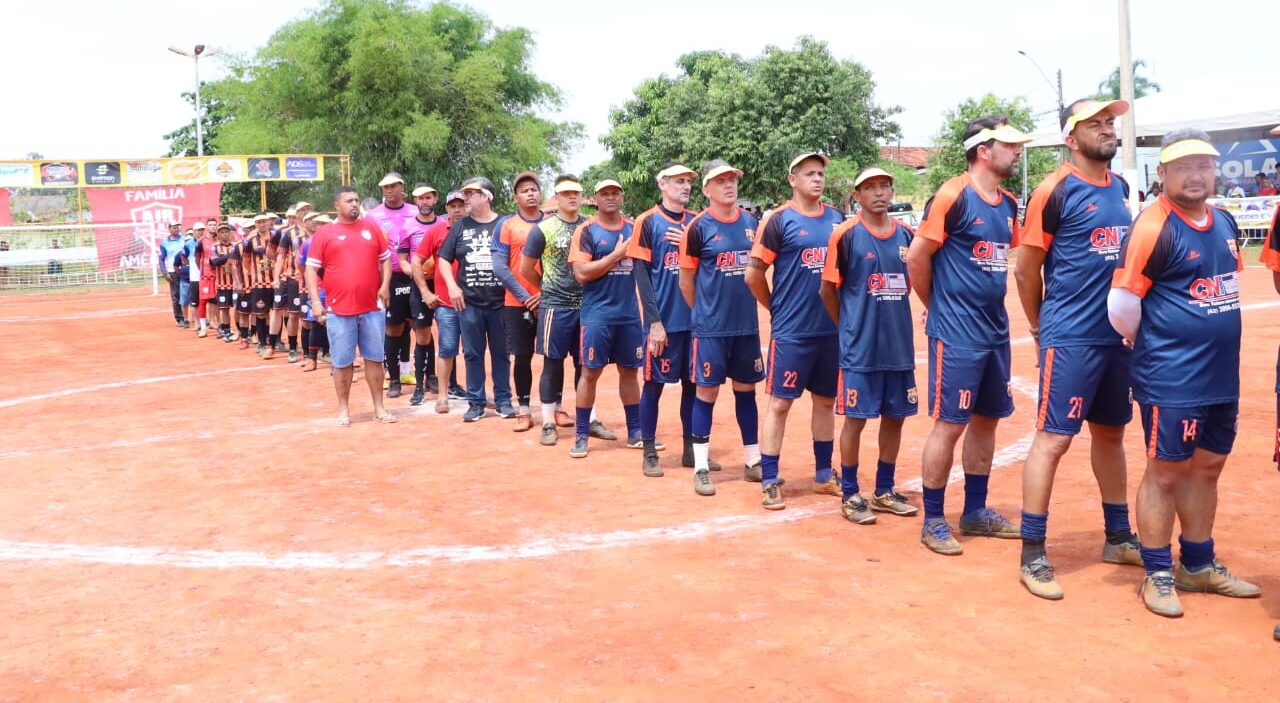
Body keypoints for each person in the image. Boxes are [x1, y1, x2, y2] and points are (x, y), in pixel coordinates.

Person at [1110, 128, 1259, 618]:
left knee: (1208, 468)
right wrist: (1155, 344)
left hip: (1221, 376)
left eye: (1204, 165)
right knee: (1166, 473)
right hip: (1171, 377)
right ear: (1162, 173)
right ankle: (1157, 572)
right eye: (1183, 167)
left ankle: (1197, 564)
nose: (1196, 175)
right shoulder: (1152, 227)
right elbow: (1122, 306)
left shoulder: (1224, 221)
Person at [1014, 99, 1142, 600]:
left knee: (1111, 435)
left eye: (1110, 123)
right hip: (1070, 337)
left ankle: (1117, 535)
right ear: (1071, 139)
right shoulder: (1054, 190)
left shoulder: (1121, 188)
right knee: (1053, 439)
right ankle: (1032, 552)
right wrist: (1040, 326)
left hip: (1115, 339)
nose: (1107, 130)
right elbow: (1026, 269)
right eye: (1096, 124)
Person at [906, 116, 1029, 555]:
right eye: (1009, 145)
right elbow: (918, 258)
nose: (1017, 152)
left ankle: (975, 512)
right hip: (956, 331)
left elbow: (1006, 262)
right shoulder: (953, 195)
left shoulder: (1009, 203)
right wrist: (934, 305)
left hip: (995, 330)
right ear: (983, 150)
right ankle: (934, 519)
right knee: (950, 423)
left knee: (987, 419)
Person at [819, 166, 920, 526]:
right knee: (856, 420)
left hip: (898, 348)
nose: (879, 193)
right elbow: (827, 290)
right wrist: (848, 326)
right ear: (856, 196)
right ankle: (849, 491)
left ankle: (884, 489)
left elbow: (918, 281)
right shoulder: (845, 236)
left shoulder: (908, 235)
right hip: (860, 349)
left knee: (895, 418)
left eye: (884, 186)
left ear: (892, 193)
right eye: (870, 188)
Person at [746, 151, 846, 510]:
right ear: (793, 179)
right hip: (792, 331)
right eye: (809, 173)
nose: (817, 179)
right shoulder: (778, 220)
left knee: (825, 401)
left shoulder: (837, 218)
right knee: (780, 403)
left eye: (820, 173)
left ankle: (823, 474)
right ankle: (770, 479)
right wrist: (775, 308)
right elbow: (753, 274)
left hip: (830, 330)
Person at [679, 160, 766, 498]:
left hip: (745, 327)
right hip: (711, 329)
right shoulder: (698, 228)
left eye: (732, 179)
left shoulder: (751, 223)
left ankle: (753, 461)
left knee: (747, 392)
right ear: (706, 190)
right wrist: (703, 314)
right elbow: (686, 281)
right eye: (720, 181)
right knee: (707, 393)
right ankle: (701, 468)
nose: (729, 185)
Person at [628, 163, 716, 477]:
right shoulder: (647, 222)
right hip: (665, 322)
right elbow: (641, 274)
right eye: (679, 181)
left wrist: (687, 242)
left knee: (694, 387)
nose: (685, 187)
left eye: (689, 182)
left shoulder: (698, 222)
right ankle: (649, 452)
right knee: (653, 387)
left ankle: (692, 451)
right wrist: (654, 322)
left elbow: (708, 265)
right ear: (662, 185)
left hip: (697, 321)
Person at [521, 175, 615, 444]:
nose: (572, 197)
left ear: (583, 197)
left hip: (588, 306)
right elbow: (525, 268)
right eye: (566, 193)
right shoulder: (544, 229)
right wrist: (545, 290)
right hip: (556, 306)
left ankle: (590, 419)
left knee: (587, 365)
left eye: (576, 193)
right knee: (552, 364)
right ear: (557, 197)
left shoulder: (590, 227)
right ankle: (549, 422)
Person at [567, 179, 645, 458]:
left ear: (622, 197)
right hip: (597, 316)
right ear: (595, 199)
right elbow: (582, 273)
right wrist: (616, 255)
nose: (611, 198)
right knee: (590, 373)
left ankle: (635, 432)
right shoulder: (586, 231)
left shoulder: (633, 229)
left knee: (630, 371)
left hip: (628, 315)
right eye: (605, 194)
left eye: (615, 193)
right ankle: (581, 435)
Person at [305, 185, 395, 426]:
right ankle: (343, 409)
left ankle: (379, 408)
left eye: (356, 200)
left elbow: (386, 261)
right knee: (342, 362)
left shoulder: (372, 228)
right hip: (338, 309)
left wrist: (385, 286)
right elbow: (311, 270)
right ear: (337, 206)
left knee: (375, 359)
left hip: (372, 308)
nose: (354, 204)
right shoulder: (325, 234)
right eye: (349, 201)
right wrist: (315, 301)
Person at [437, 177, 515, 422]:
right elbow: (443, 258)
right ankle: (476, 402)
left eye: (472, 194)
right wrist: (452, 286)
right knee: (472, 353)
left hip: (501, 302)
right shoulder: (460, 227)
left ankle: (503, 401)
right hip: (469, 303)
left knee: (501, 354)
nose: (467, 198)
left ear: (487, 197)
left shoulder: (505, 224)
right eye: (466, 193)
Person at [492, 171, 546, 430]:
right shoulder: (507, 225)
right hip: (517, 304)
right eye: (524, 190)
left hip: (550, 301)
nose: (530, 193)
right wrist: (527, 297)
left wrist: (544, 295)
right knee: (522, 357)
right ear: (515, 197)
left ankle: (554, 407)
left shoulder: (553, 223)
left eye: (534, 189)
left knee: (553, 357)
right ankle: (524, 409)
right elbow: (500, 267)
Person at [368, 172, 421, 396]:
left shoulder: (416, 211)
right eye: (385, 187)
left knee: (421, 327)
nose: (388, 190)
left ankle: (426, 377)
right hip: (390, 277)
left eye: (392, 186)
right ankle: (395, 379)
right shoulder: (373, 216)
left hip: (417, 276)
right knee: (393, 327)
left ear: (402, 187)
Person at [401, 184, 447, 406]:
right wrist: (415, 271)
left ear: (435, 199)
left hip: (443, 283)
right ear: (415, 201)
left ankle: (449, 383)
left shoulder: (445, 224)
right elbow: (402, 258)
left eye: (428, 197)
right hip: (419, 286)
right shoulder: (407, 226)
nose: (424, 202)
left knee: (449, 334)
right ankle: (419, 386)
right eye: (420, 198)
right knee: (422, 336)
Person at [238, 214, 277, 355]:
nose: (262, 224)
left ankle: (275, 341)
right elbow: (246, 262)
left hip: (276, 282)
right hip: (259, 283)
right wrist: (255, 274)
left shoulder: (277, 237)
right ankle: (262, 341)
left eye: (264, 222)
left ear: (268, 222)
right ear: (255, 224)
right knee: (261, 314)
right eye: (259, 222)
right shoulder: (250, 241)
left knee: (278, 312)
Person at [296, 211, 328, 371]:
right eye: (320, 223)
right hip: (319, 289)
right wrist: (312, 281)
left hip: (336, 289)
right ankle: (312, 358)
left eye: (326, 223)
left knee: (336, 324)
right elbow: (302, 266)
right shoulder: (309, 243)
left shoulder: (336, 240)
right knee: (316, 323)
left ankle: (339, 361)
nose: (323, 226)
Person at [210, 224, 242, 342]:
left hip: (236, 283)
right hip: (222, 284)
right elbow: (215, 261)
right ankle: (227, 331)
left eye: (226, 232)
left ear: (230, 233)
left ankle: (241, 331)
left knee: (239, 309)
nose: (224, 234)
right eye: (222, 232)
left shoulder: (236, 246)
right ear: (218, 234)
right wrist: (231, 256)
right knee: (224, 308)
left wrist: (226, 257)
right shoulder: (215, 247)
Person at [159, 222, 188, 327]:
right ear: (169, 229)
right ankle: (179, 318)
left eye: (178, 227)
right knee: (176, 295)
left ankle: (189, 317)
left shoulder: (184, 239)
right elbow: (161, 259)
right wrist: (165, 273)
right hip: (173, 271)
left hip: (185, 270)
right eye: (174, 227)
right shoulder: (164, 243)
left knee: (188, 293)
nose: (176, 229)